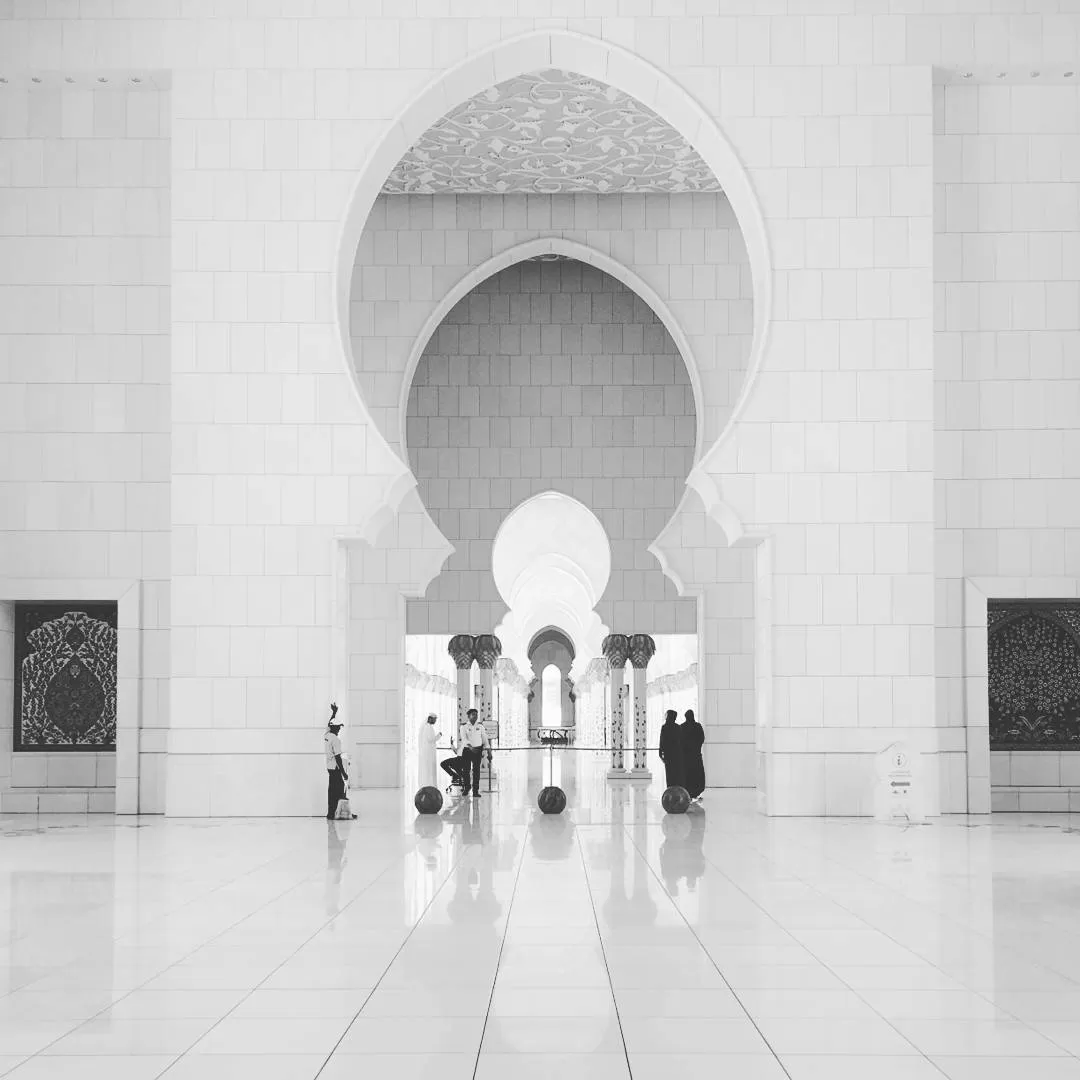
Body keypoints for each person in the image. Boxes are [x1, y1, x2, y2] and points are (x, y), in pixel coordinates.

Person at [324, 702, 350, 819]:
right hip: (335, 768)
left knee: (332, 791)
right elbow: (338, 757)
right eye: (338, 727)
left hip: (329, 768)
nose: (340, 728)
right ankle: (344, 813)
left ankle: (331, 813)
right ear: (334, 727)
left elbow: (329, 724)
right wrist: (344, 773)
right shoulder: (335, 740)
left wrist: (334, 712)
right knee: (341, 791)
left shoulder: (327, 735)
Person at [458, 707, 491, 798]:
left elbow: (485, 739)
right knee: (466, 771)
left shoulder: (480, 726)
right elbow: (464, 739)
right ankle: (467, 788)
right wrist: (471, 747)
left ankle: (475, 790)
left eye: (476, 715)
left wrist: (489, 751)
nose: (475, 717)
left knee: (476, 771)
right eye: (473, 715)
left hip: (478, 750)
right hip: (468, 750)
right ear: (468, 716)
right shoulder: (463, 727)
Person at [680, 708, 706, 802]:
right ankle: (695, 793)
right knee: (697, 775)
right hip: (696, 756)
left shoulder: (682, 727)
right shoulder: (698, 726)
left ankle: (688, 794)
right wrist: (696, 747)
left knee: (688, 775)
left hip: (686, 757)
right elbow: (702, 738)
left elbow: (680, 741)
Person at [658, 709, 684, 789]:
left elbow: (662, 741)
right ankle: (678, 791)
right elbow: (681, 741)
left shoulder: (664, 727)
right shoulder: (678, 727)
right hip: (677, 754)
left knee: (669, 774)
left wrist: (660, 753)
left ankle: (670, 790)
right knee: (677, 773)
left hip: (668, 754)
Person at [418, 712, 441, 788]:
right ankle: (429, 784)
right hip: (428, 753)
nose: (435, 721)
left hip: (428, 751)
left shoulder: (427, 727)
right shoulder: (428, 727)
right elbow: (430, 739)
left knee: (428, 768)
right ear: (430, 719)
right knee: (429, 768)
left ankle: (429, 784)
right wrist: (439, 736)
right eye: (434, 719)